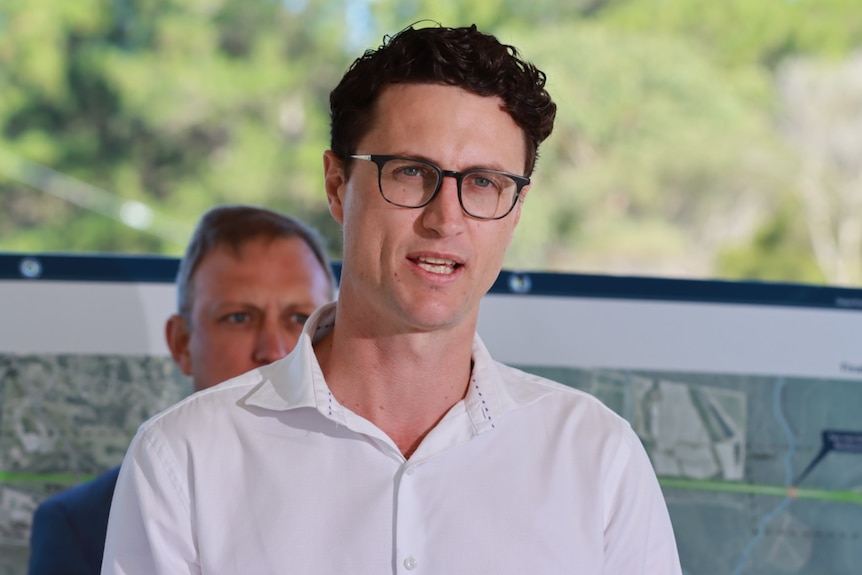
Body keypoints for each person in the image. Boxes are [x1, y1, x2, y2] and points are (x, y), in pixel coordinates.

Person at [102, 24, 682, 574]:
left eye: (484, 182)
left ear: (516, 210)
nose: (445, 219)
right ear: (337, 186)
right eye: (410, 172)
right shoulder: (184, 459)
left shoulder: (598, 459)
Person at [28, 205, 335, 575]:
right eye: (239, 317)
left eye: (300, 318)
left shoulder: (386, 481)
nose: (272, 349)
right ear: (182, 343)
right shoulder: (81, 525)